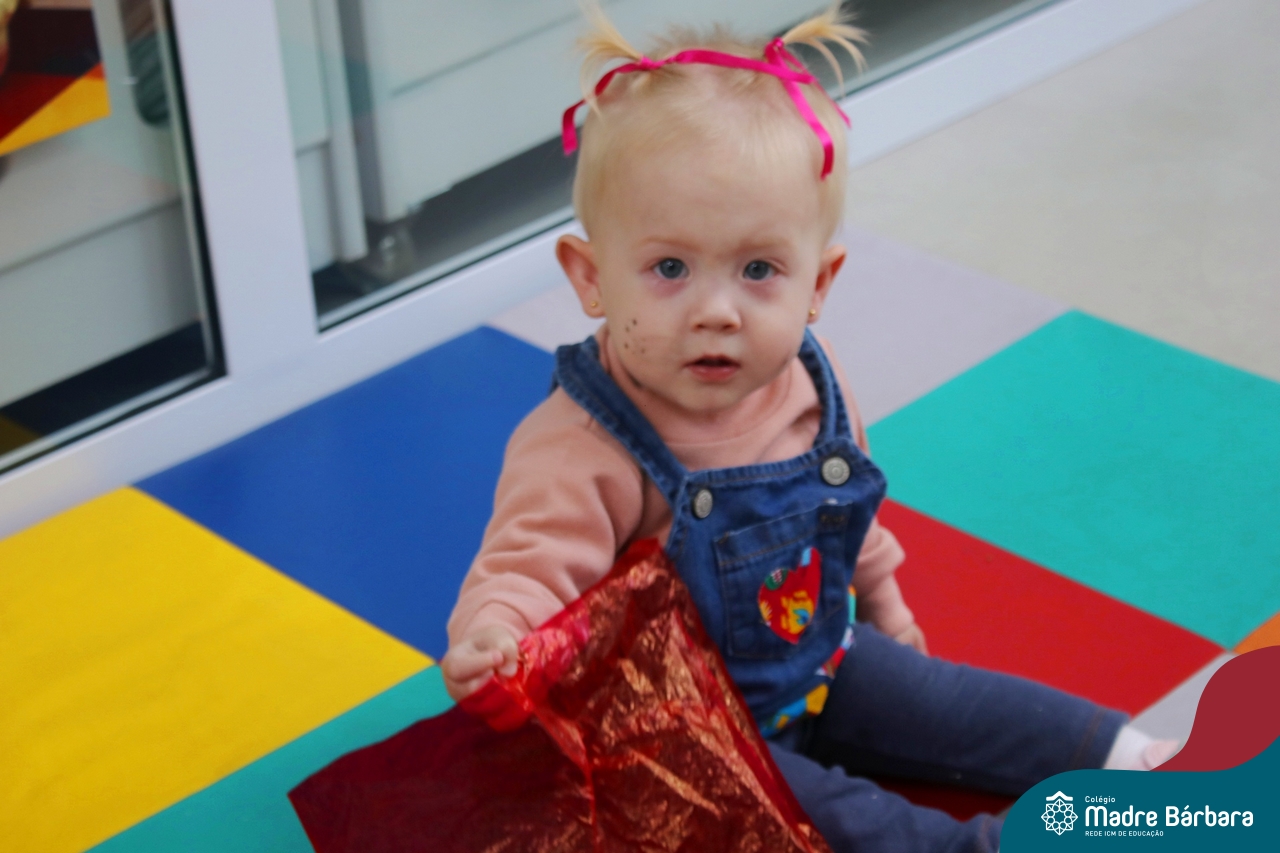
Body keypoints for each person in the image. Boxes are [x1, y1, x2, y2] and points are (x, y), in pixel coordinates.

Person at [441, 5, 1176, 850]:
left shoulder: (815, 391)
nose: (717, 311)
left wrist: (888, 610)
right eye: (670, 267)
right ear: (591, 278)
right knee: (834, 818)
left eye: (759, 269)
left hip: (823, 661)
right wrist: (494, 635)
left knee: (951, 700)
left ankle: (1125, 753)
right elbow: (528, 565)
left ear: (818, 284)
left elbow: (850, 524)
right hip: (676, 733)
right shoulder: (583, 442)